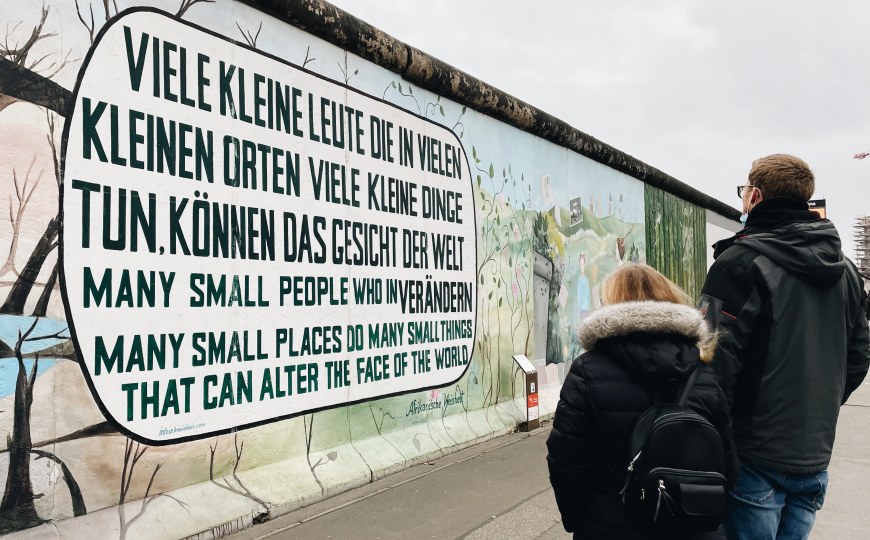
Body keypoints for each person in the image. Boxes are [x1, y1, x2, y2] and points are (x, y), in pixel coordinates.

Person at [698, 154, 870, 540]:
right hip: (814, 454)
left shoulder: (739, 264)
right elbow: (859, 357)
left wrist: (717, 442)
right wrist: (817, 407)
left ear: (754, 196)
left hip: (753, 455)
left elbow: (710, 362)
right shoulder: (845, 270)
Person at [547, 264, 737, 540]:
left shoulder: (587, 370)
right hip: (690, 526)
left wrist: (581, 520)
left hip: (611, 525)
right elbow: (727, 465)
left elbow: (566, 460)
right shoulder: (702, 371)